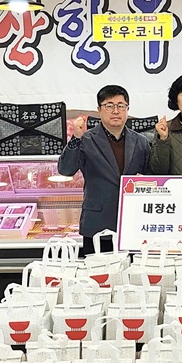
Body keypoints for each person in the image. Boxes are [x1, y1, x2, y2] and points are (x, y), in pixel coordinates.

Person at [58, 85, 150, 255]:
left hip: (133, 225)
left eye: (121, 106)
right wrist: (76, 138)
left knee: (133, 270)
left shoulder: (141, 142)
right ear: (99, 109)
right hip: (97, 224)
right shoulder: (85, 139)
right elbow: (66, 170)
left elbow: (150, 177)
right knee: (97, 271)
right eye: (109, 105)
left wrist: (143, 180)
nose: (116, 111)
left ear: (127, 109)